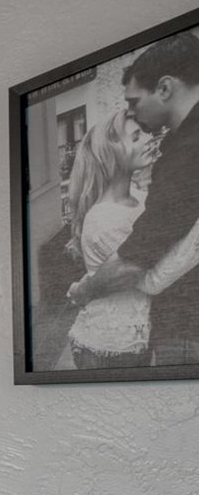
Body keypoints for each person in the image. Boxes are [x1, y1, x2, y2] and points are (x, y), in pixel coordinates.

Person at [69, 30, 199, 365]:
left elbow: (143, 270)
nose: (136, 116)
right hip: (120, 341)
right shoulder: (106, 214)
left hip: (180, 330)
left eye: (134, 103)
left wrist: (84, 289)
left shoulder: (186, 152)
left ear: (166, 88)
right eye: (134, 134)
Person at [62, 109, 153, 370]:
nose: (148, 139)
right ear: (111, 155)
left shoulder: (139, 194)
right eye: (136, 137)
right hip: (106, 348)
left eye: (144, 132)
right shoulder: (103, 218)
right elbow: (145, 277)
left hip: (135, 341)